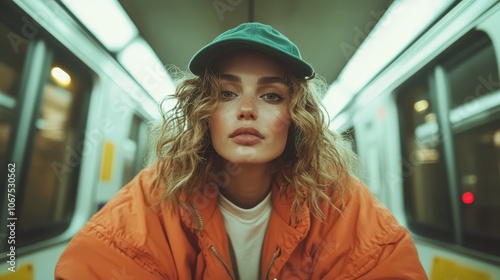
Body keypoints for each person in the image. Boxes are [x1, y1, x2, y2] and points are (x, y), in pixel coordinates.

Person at [55, 22, 427, 279]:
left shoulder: (336, 202)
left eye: (270, 95)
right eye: (227, 94)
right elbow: (101, 262)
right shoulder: (156, 199)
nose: (247, 109)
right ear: (205, 112)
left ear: (295, 115)